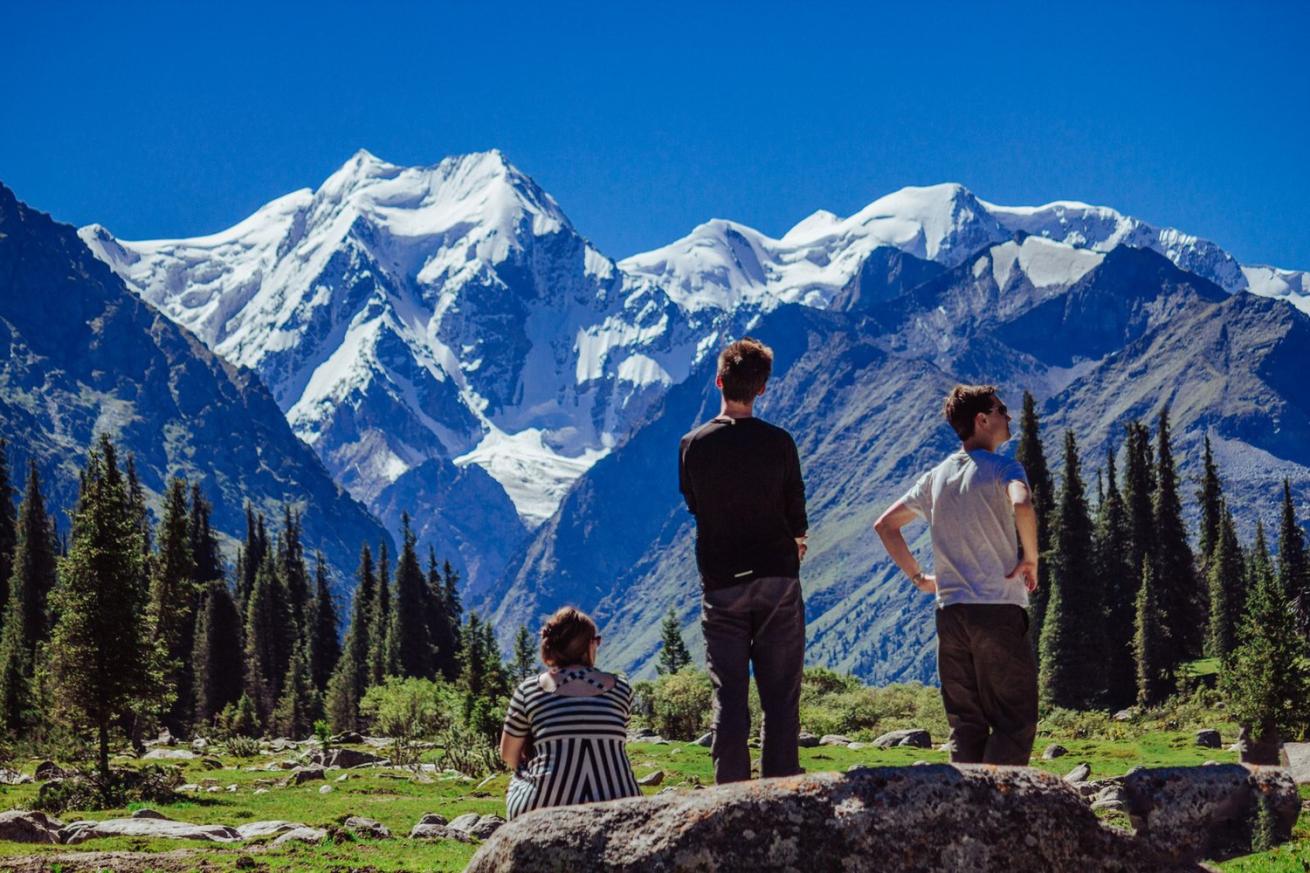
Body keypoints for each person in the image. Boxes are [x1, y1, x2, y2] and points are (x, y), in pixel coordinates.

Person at [874, 384, 1039, 765]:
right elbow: (1023, 503)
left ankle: (964, 810)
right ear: (982, 420)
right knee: (1014, 721)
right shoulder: (1004, 468)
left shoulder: (936, 476)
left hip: (950, 614)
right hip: (997, 609)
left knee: (966, 725)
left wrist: (919, 579)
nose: (1008, 416)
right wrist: (1030, 557)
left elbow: (885, 526)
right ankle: (996, 811)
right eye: (1000, 410)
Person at [678, 337, 808, 784]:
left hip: (721, 582)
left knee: (729, 696)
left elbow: (695, 505)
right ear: (762, 390)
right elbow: (796, 507)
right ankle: (782, 791)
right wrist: (795, 540)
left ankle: (729, 794)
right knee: (780, 696)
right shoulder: (780, 443)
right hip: (777, 578)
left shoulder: (692, 445)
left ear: (718, 381)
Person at [499, 606, 641, 819]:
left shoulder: (529, 690)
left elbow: (508, 756)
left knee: (520, 772)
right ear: (590, 645)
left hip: (542, 808)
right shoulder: (620, 688)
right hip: (619, 805)